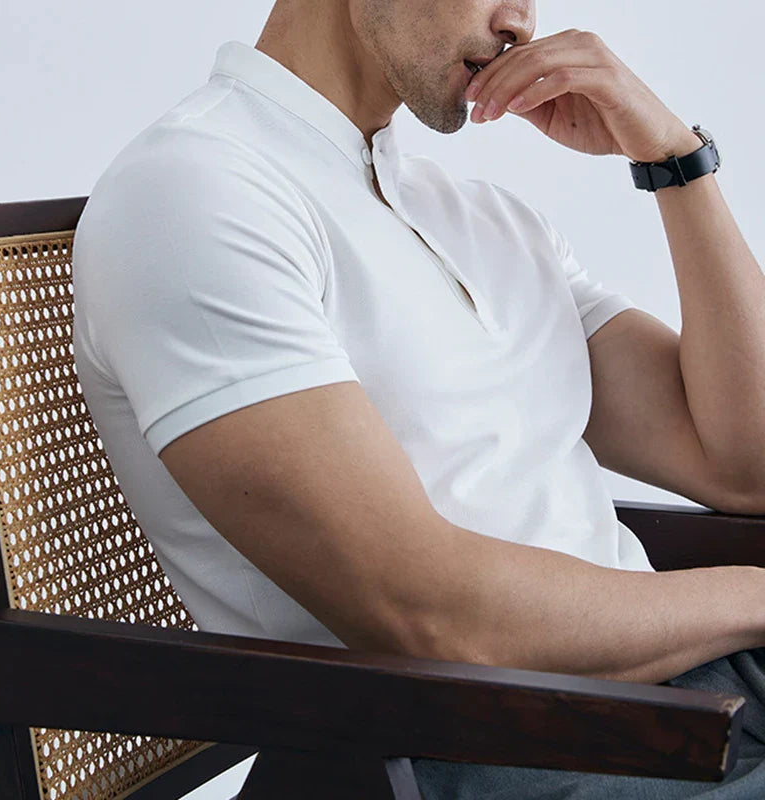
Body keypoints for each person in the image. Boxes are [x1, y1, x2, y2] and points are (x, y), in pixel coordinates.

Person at [71, 0, 765, 796]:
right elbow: (431, 617)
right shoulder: (197, 194)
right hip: (489, 742)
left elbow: (743, 466)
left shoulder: (474, 213)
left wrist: (675, 159)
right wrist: (753, 595)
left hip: (685, 683)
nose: (520, 20)